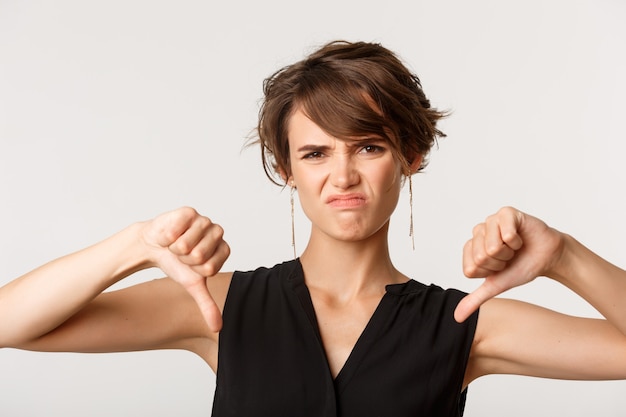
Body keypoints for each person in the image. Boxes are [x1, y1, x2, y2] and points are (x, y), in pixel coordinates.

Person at [1, 40, 625, 416]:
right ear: (286, 168)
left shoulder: (464, 323)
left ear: (411, 156)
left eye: (369, 147)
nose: (343, 176)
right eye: (316, 153)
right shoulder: (220, 308)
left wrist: (563, 256)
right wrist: (132, 247)